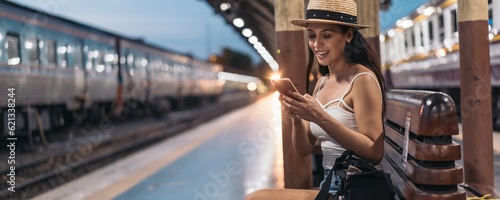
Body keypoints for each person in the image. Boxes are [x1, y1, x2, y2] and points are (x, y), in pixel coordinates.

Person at [245, 0, 386, 199]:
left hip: (356, 189)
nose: (317, 44)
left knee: (256, 198)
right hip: (331, 187)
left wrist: (319, 117)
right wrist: (294, 115)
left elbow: (374, 152)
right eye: (312, 36)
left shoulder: (362, 79)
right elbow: (303, 149)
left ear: (348, 35)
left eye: (326, 35)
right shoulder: (322, 83)